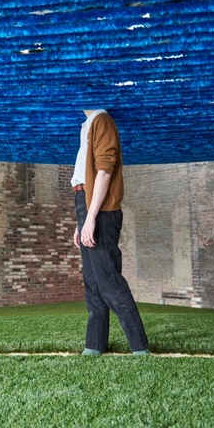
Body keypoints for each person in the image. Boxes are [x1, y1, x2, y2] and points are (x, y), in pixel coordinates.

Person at [71, 109, 150, 356]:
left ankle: (140, 347)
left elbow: (105, 170)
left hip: (101, 209)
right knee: (93, 281)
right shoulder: (87, 124)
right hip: (86, 203)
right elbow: (87, 178)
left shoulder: (101, 120)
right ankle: (94, 344)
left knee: (109, 280)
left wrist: (92, 216)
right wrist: (81, 221)